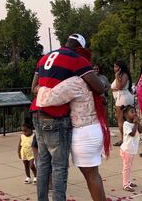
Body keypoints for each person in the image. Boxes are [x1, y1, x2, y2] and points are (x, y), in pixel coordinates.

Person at [30, 33, 104, 201]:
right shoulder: (77, 59)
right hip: (56, 117)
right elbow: (99, 87)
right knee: (59, 167)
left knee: (43, 163)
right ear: (80, 48)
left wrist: (46, 90)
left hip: (37, 114)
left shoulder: (44, 58)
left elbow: (33, 87)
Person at [111, 60, 134, 146]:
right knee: (123, 119)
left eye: (116, 66)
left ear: (120, 68)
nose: (114, 68)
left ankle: (123, 139)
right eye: (114, 66)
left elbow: (120, 87)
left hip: (123, 98)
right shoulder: (120, 75)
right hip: (121, 97)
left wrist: (117, 76)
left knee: (121, 119)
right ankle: (126, 138)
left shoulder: (123, 75)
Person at [120, 105, 142, 192]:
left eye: (135, 111)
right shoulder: (126, 124)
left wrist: (138, 123)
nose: (134, 113)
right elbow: (132, 134)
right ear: (126, 114)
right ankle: (125, 184)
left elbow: (140, 131)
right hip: (127, 150)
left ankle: (128, 181)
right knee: (126, 167)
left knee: (129, 167)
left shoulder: (134, 123)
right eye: (132, 112)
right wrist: (136, 123)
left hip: (132, 150)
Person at [17, 118, 37, 184]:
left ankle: (36, 176)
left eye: (25, 131)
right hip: (24, 152)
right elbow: (19, 145)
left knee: (32, 165)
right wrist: (19, 152)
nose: (24, 132)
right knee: (26, 165)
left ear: (31, 129)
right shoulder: (22, 136)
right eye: (23, 131)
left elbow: (36, 145)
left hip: (32, 154)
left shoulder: (34, 136)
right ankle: (28, 177)